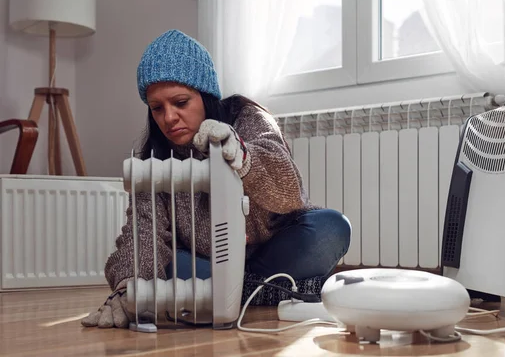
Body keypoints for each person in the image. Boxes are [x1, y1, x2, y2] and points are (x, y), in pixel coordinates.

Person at [81, 29, 351, 328]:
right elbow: (144, 234)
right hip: (209, 265)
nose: (168, 117)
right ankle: (274, 290)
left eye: (180, 102)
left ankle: (239, 291)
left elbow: (290, 194)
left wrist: (242, 156)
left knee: (331, 227)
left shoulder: (248, 118)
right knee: (167, 267)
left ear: (205, 96)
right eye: (157, 108)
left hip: (272, 251)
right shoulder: (153, 161)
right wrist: (129, 288)